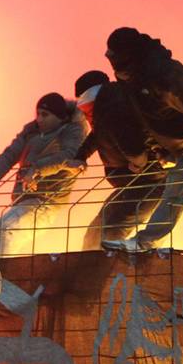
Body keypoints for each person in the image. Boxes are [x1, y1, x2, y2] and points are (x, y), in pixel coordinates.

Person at [100, 27, 183, 253]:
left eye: (112, 55)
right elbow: (145, 118)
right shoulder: (133, 78)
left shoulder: (163, 73)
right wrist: (159, 150)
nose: (111, 61)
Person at [0, 92, 85, 258]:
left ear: (59, 117)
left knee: (1, 230)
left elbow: (69, 156)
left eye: (45, 115)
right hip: (23, 200)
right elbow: (10, 155)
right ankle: (4, 280)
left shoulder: (71, 131)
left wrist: (37, 169)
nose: (39, 119)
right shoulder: (31, 131)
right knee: (7, 242)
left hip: (46, 201)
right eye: (38, 113)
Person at [71, 70, 167, 251]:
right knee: (98, 230)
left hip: (147, 182)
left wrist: (139, 162)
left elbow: (132, 144)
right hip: (132, 182)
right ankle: (91, 269)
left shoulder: (112, 111)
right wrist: (80, 156)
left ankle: (103, 274)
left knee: (111, 233)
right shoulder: (107, 109)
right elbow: (98, 135)